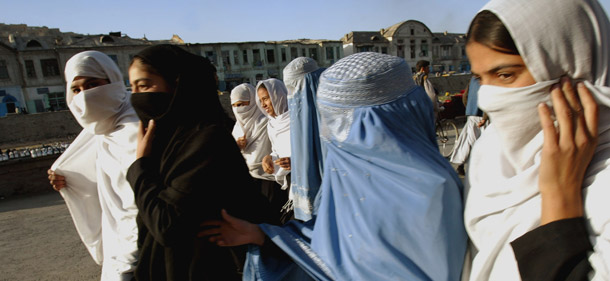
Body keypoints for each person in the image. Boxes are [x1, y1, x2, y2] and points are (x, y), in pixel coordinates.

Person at [201, 52, 467, 280]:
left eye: (337, 120)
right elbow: (329, 243)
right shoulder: (349, 176)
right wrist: (265, 237)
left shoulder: (433, 190)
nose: (326, 132)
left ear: (376, 123)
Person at [463, 0, 609, 280]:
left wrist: (559, 197)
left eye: (505, 75)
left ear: (574, 64)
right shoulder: (490, 153)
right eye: (481, 79)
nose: (488, 98)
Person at [126, 44, 276, 280]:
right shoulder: (168, 142)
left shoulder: (207, 140)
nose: (136, 96)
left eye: (144, 85)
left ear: (177, 85)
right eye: (132, 87)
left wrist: (139, 167)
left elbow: (166, 225)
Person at [47, 50, 139, 281]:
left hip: (146, 239)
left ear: (113, 81)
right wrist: (68, 179)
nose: (84, 96)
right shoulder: (98, 130)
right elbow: (94, 177)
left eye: (92, 85)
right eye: (76, 90)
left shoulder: (138, 123)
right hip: (117, 242)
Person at [230, 83, 286, 221]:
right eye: (235, 105)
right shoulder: (236, 128)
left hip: (270, 180)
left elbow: (279, 147)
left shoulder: (268, 122)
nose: (239, 109)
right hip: (246, 180)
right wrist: (235, 147)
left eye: (243, 104)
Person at [282, 57, 325, 221]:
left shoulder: (333, 116)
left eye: (296, 87)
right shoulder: (297, 117)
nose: (292, 95)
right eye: (289, 89)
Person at [255, 78, 293, 221]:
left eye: (266, 98)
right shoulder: (272, 124)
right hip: (287, 181)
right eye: (260, 100)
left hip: (305, 179)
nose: (263, 104)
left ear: (278, 95)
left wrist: (296, 162)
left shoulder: (297, 119)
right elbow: (277, 150)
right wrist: (268, 158)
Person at [449, 77, 487, 176]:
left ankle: (460, 165)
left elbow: (465, 96)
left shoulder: (473, 80)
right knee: (482, 141)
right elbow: (489, 98)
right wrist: (485, 117)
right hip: (482, 115)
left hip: (472, 114)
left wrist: (469, 108)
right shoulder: (487, 79)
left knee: (468, 140)